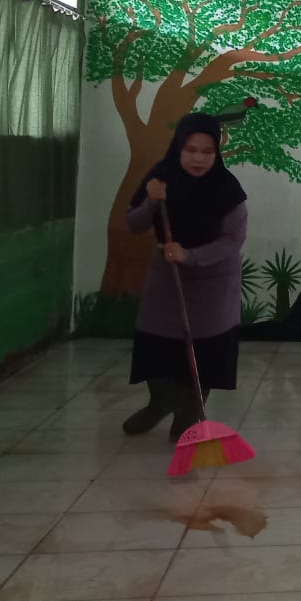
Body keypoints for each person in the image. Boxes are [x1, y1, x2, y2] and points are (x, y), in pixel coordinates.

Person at [121, 113, 249, 441]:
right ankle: (160, 403)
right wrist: (151, 201)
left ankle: (188, 413)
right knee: (157, 348)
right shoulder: (161, 176)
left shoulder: (228, 189)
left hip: (212, 286)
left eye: (207, 152)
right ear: (178, 147)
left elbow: (232, 241)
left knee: (203, 356)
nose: (198, 158)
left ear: (216, 152)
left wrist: (188, 255)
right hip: (167, 282)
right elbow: (134, 224)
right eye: (191, 150)